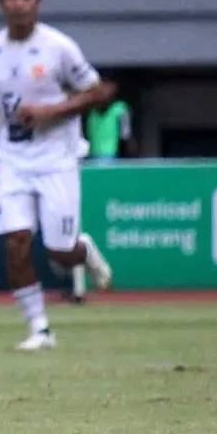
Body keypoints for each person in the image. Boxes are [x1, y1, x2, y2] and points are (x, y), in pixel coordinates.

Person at [0, 0, 117, 351]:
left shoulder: (59, 47)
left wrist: (50, 112)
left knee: (59, 251)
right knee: (16, 241)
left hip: (57, 159)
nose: (19, 4)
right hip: (13, 160)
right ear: (0, 3)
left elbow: (102, 91)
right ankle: (39, 328)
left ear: (37, 2)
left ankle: (83, 250)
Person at [70, 89, 137, 302]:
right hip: (84, 167)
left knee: (74, 236)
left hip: (101, 165)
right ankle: (80, 286)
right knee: (64, 242)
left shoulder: (118, 110)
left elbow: (127, 138)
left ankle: (80, 289)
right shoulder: (86, 116)